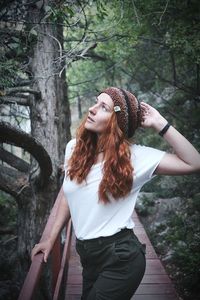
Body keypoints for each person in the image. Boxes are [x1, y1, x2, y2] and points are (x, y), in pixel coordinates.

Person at [31, 87, 200, 300]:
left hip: (121, 258)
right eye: (96, 102)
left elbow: (194, 163)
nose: (92, 109)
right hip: (88, 257)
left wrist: (160, 124)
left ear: (117, 123)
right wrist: (50, 239)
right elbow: (68, 195)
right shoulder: (74, 148)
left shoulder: (135, 158)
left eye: (104, 107)